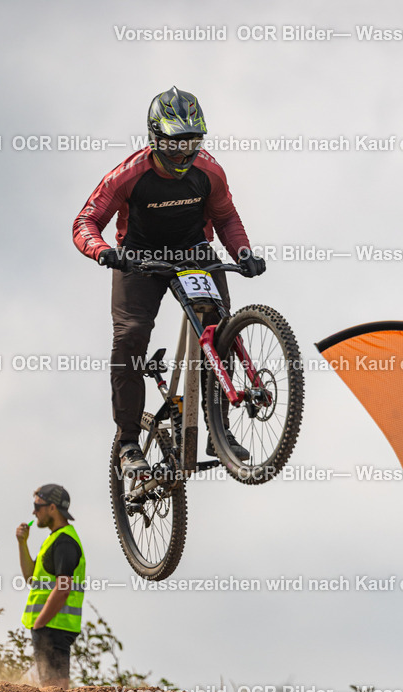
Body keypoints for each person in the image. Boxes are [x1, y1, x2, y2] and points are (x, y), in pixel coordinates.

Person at [73, 86, 266, 478]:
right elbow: (85, 222)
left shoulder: (209, 172)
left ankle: (218, 427)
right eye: (174, 143)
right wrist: (103, 251)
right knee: (131, 336)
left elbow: (227, 217)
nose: (182, 152)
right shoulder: (128, 175)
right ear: (154, 137)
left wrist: (242, 253)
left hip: (193, 250)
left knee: (219, 326)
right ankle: (129, 442)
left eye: (191, 142)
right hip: (138, 257)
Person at [16, 484, 85, 689]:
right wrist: (22, 543)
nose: (34, 511)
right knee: (50, 689)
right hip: (49, 625)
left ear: (52, 508)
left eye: (37, 506)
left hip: (53, 625)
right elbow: (31, 577)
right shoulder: (54, 540)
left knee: (55, 691)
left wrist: (40, 624)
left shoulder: (64, 542)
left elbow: (63, 589)